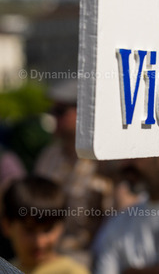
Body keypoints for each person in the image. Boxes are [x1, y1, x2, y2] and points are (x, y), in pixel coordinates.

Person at [33, 80, 113, 263]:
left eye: (60, 112)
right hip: (45, 251)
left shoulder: (106, 161)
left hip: (89, 257)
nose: (53, 117)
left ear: (84, 113)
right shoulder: (48, 155)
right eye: (52, 111)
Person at [1, 176, 89, 274]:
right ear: (7, 225)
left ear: (62, 226)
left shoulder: (73, 272)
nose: (40, 242)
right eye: (29, 230)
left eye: (48, 229)